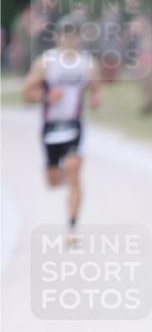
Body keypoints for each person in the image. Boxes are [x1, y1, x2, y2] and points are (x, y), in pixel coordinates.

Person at [22, 17, 101, 243]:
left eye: (73, 34)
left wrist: (95, 97)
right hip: (50, 127)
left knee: (74, 170)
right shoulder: (46, 62)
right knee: (53, 181)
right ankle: (60, 171)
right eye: (65, 34)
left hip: (74, 125)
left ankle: (72, 228)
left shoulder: (87, 63)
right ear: (57, 36)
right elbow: (27, 93)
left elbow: (96, 88)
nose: (69, 39)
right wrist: (47, 97)